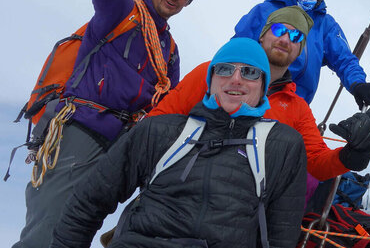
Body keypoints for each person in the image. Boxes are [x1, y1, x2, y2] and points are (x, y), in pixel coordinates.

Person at [15, 0, 199, 248]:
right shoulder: (120, 11)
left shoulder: (170, 51)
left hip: (120, 147)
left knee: (76, 229)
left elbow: (168, 107)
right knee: (48, 225)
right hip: (80, 129)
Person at [51, 38, 307, 247]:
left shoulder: (281, 145)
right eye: (226, 69)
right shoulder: (160, 131)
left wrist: (347, 155)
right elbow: (89, 201)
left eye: (250, 72)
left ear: (262, 87)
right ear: (210, 80)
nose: (236, 79)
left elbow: (280, 235)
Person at [150, 6, 370, 195]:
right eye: (279, 29)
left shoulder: (296, 108)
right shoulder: (214, 74)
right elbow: (157, 122)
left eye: (296, 36)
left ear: (299, 51)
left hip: (242, 214)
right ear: (262, 35)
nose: (286, 39)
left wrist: (353, 152)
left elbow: (317, 163)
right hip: (176, 195)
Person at [234, 0, 370, 107]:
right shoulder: (265, 11)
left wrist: (357, 83)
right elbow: (236, 49)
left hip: (296, 105)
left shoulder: (325, 24)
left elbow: (343, 59)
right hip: (255, 99)